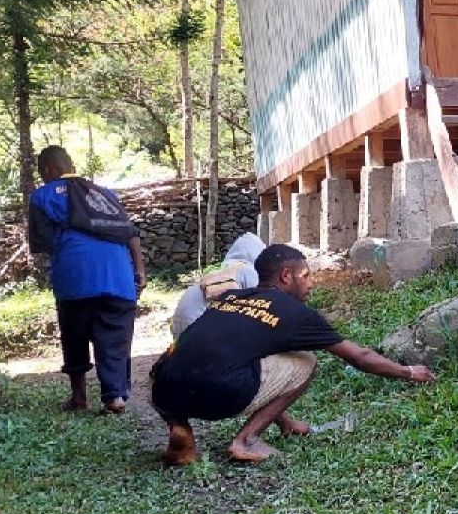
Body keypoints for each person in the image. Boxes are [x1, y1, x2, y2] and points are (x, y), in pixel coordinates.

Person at [151, 244, 435, 466]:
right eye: (306, 275)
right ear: (286, 276)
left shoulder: (230, 298)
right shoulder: (295, 314)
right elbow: (358, 356)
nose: (311, 283)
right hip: (221, 394)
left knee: (195, 362)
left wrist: (285, 421)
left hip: (164, 392)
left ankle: (180, 429)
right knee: (305, 361)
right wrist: (408, 372)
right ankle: (246, 440)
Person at [27, 145, 146, 414]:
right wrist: (140, 270)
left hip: (75, 277)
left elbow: (44, 242)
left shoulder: (42, 195)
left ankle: (79, 398)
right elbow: (131, 232)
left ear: (48, 170)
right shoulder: (105, 194)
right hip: (119, 278)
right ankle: (115, 397)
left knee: (75, 335)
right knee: (115, 338)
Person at [171, 232, 267, 337]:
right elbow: (260, 309)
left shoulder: (222, 269)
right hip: (198, 330)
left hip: (179, 328)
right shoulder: (249, 271)